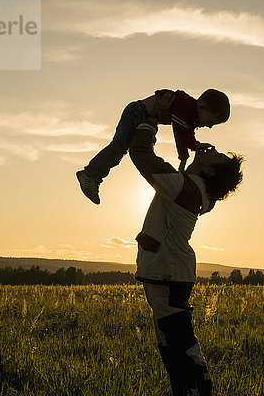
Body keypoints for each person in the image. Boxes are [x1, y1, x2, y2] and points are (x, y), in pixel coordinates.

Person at [128, 92, 243, 396]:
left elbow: (141, 155)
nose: (211, 148)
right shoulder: (193, 187)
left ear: (210, 170)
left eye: (214, 154)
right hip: (169, 273)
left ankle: (200, 391)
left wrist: (150, 119)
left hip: (168, 274)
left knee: (180, 344)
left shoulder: (185, 188)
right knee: (172, 344)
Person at [76, 88, 230, 204]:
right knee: (118, 148)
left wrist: (194, 144)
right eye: (211, 122)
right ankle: (90, 174)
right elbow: (180, 132)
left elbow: (186, 132)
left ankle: (93, 175)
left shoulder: (190, 117)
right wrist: (183, 157)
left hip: (143, 116)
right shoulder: (187, 108)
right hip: (138, 113)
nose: (209, 127)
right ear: (202, 107)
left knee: (120, 150)